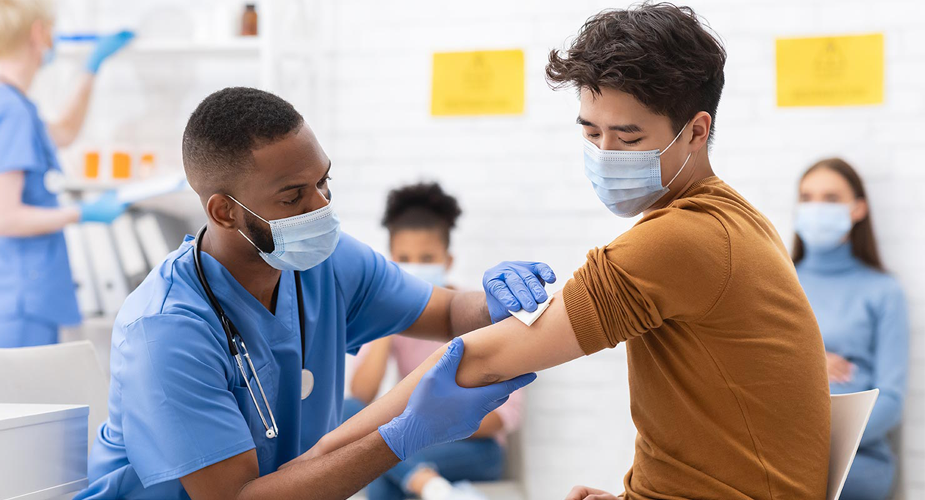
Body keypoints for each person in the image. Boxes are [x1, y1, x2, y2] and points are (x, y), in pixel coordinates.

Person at [297, 4, 832, 499]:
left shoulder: (681, 240)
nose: (603, 155)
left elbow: (476, 358)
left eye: (627, 139)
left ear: (695, 131)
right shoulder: (735, 221)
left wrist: (316, 459)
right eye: (591, 132)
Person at [75, 87, 551, 499]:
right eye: (293, 196)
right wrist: (401, 436)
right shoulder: (164, 331)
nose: (321, 207)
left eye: (324, 182)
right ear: (223, 212)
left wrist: (493, 300)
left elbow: (448, 313)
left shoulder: (329, 262)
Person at [0, 0, 133, 399]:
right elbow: (3, 217)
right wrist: (82, 213)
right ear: (39, 34)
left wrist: (91, 69)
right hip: (19, 299)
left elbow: (63, 132)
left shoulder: (14, 105)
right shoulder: (10, 112)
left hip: (22, 294)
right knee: (9, 428)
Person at [345, 182, 524, 500]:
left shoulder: (480, 315)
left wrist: (433, 422)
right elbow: (360, 395)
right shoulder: (392, 318)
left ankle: (426, 482)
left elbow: (503, 418)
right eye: (403, 258)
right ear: (390, 263)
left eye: (426, 257)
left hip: (476, 449)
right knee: (347, 413)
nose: (414, 267)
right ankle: (431, 485)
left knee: (377, 466)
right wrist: (390, 321)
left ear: (448, 260)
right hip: (414, 441)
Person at [793, 158, 909, 500]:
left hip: (858, 458)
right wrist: (811, 360)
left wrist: (819, 440)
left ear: (858, 209)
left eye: (830, 198)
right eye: (807, 197)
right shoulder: (776, 282)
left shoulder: (883, 291)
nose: (816, 208)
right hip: (781, 448)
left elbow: (890, 399)